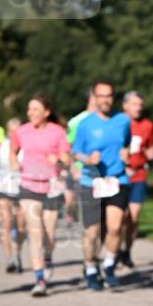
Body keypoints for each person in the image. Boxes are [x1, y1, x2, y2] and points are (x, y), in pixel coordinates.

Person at [71, 80, 131, 291]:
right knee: (92, 232)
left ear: (112, 98)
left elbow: (127, 143)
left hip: (117, 179)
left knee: (115, 227)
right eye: (101, 96)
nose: (105, 100)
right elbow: (75, 151)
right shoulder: (86, 124)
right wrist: (87, 159)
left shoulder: (123, 120)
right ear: (94, 98)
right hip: (91, 182)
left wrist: (126, 154)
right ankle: (90, 269)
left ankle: (109, 265)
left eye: (108, 95)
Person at [11, 95, 71, 297]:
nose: (31, 113)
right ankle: (39, 279)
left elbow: (66, 161)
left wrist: (58, 160)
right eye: (29, 109)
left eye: (35, 109)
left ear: (46, 112)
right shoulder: (22, 131)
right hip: (28, 185)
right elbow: (13, 151)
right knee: (35, 232)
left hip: (52, 187)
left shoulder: (57, 132)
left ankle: (47, 258)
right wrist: (13, 162)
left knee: (49, 236)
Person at [120, 90, 153, 267]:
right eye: (134, 104)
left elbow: (151, 148)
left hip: (139, 175)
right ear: (125, 106)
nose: (138, 108)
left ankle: (126, 251)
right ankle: (115, 248)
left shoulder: (147, 125)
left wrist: (152, 153)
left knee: (133, 217)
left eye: (140, 105)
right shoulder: (116, 123)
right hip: (119, 176)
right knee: (120, 216)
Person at [0, 117, 25, 272]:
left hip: (22, 189)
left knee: (20, 226)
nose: (15, 134)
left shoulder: (26, 146)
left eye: (18, 131)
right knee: (6, 222)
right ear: (7, 132)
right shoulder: (2, 147)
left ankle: (18, 254)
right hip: (3, 189)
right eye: (12, 131)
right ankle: (9, 259)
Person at [65, 88, 97, 225]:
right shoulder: (77, 121)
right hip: (79, 168)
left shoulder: (108, 120)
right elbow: (68, 146)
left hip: (99, 170)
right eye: (96, 96)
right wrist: (72, 167)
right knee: (71, 200)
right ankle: (70, 214)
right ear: (89, 98)